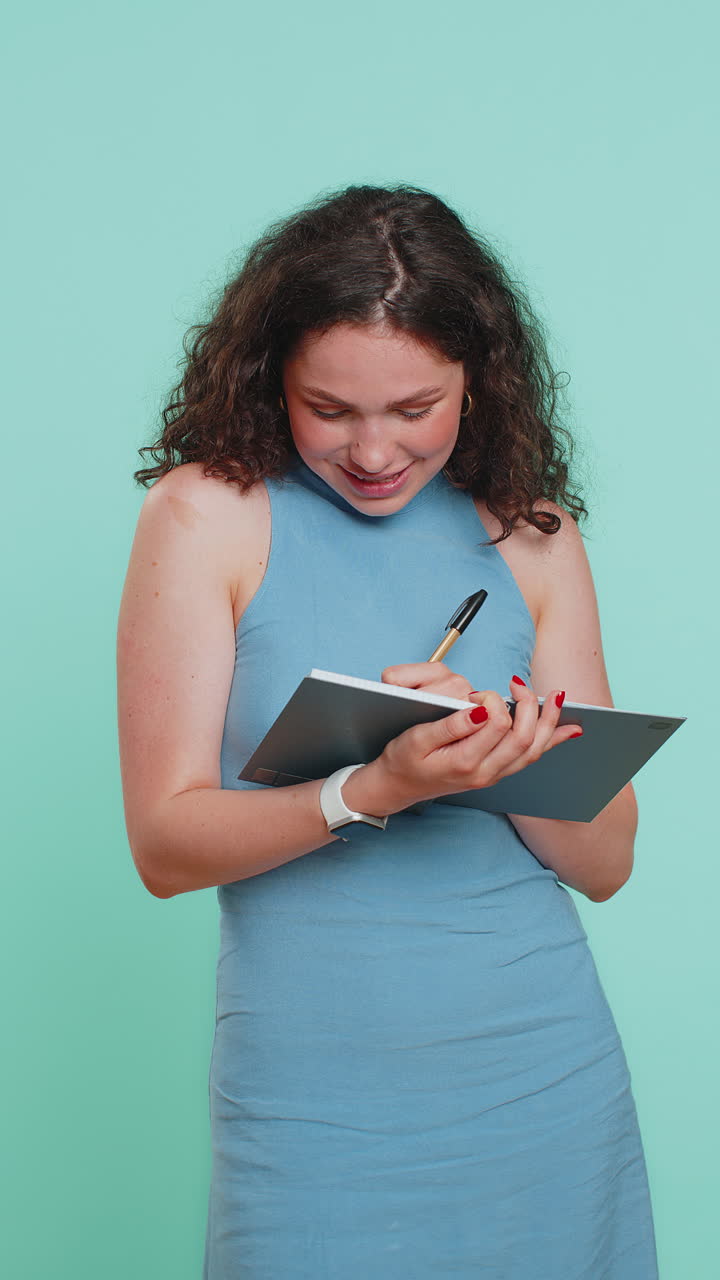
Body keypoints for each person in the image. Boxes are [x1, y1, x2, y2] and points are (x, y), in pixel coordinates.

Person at [117, 183, 658, 1277]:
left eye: (414, 410)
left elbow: (606, 863)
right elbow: (164, 847)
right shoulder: (206, 515)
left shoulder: (534, 536)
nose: (372, 450)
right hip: (314, 1102)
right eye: (331, 408)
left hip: (542, 1075)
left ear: (478, 380)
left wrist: (502, 754)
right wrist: (372, 788)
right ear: (274, 378)